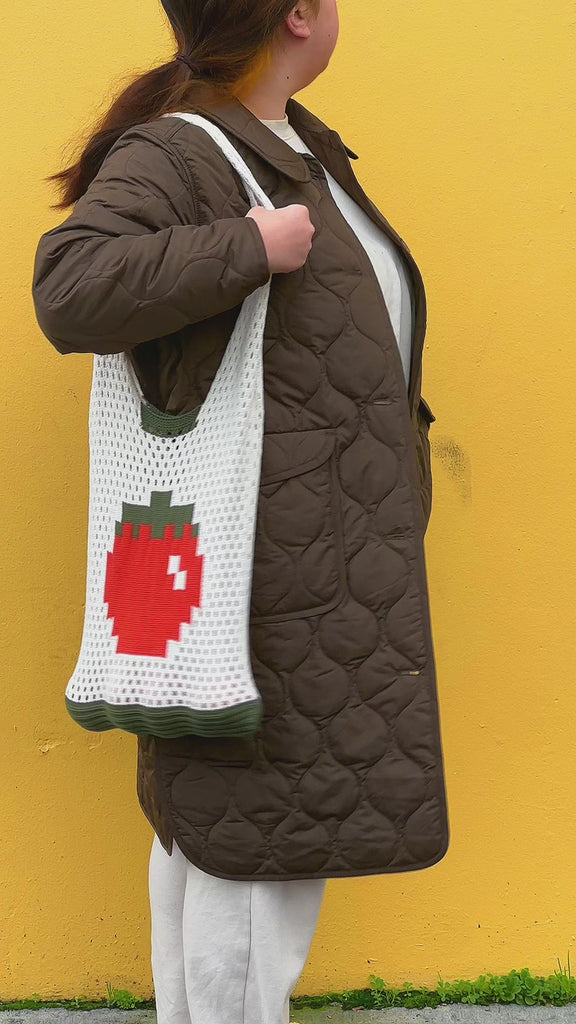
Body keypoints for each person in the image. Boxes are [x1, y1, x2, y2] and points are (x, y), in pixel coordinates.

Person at [31, 0, 450, 1021]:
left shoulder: (295, 144)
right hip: (260, 570)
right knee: (254, 841)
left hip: (324, 562)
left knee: (241, 835)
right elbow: (70, 289)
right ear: (297, 14)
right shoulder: (183, 151)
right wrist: (246, 247)